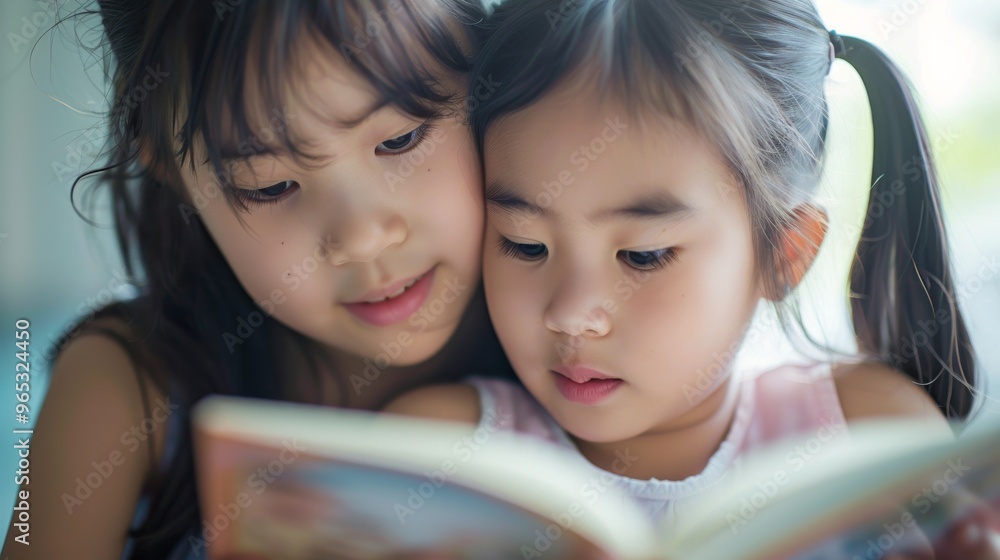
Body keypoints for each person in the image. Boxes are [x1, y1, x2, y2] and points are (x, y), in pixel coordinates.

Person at [386, 0, 994, 556]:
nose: (570, 313)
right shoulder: (438, 455)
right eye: (524, 244)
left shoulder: (869, 435)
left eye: (643, 256)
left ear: (784, 254)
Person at [1, 1, 512, 558]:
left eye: (401, 140)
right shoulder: (123, 385)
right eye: (269, 186)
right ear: (168, 165)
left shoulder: (587, 349)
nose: (363, 239)